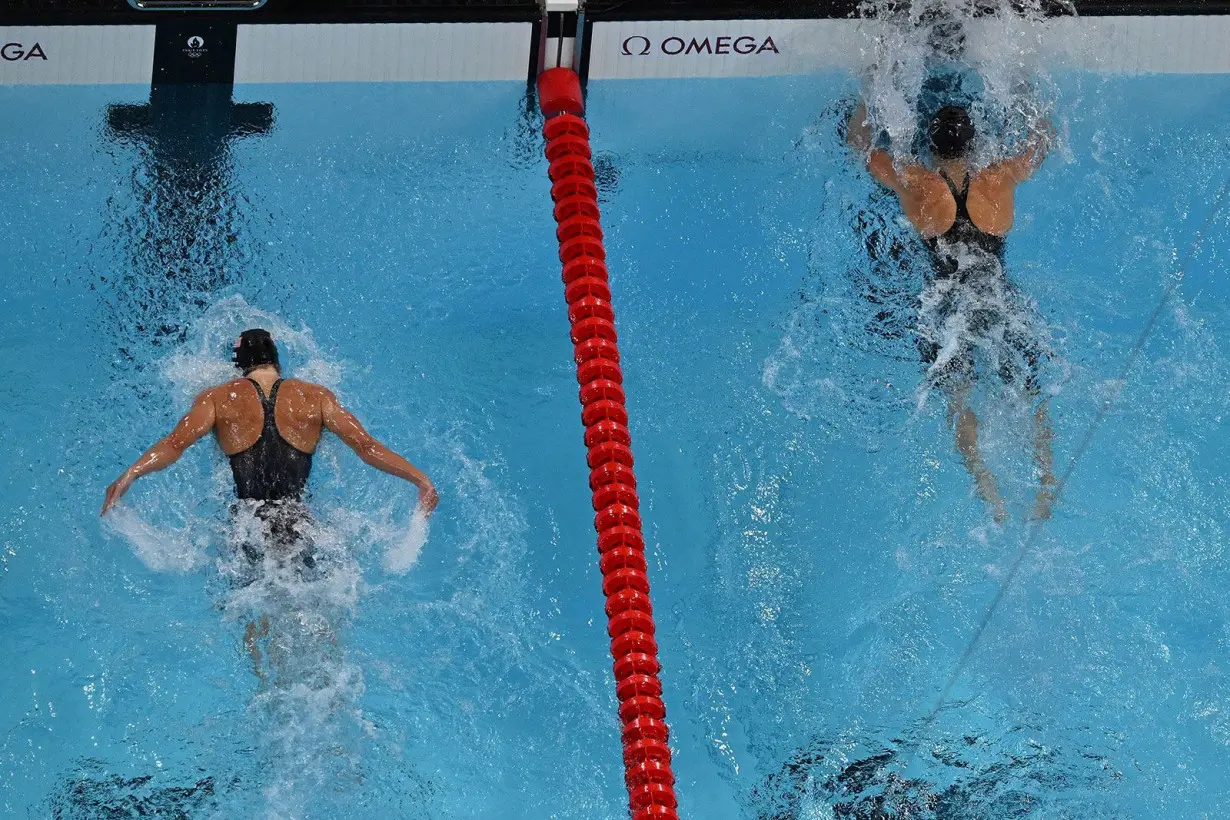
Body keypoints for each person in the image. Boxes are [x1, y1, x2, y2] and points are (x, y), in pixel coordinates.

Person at [100, 329, 439, 669]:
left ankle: (265, 684)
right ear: (277, 359)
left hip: (248, 528)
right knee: (321, 616)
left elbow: (174, 444)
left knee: (257, 620)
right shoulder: (316, 396)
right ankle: (332, 686)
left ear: (239, 366)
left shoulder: (217, 398)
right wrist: (420, 480)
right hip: (300, 523)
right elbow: (368, 447)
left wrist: (130, 473)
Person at [846, 101, 1056, 523]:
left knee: (958, 397)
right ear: (974, 142)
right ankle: (1048, 478)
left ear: (930, 144)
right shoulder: (999, 177)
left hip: (945, 305)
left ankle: (987, 486)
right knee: (1030, 393)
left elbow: (861, 148)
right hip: (996, 300)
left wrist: (867, 93)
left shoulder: (916, 182)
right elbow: (1041, 144)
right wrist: (1028, 92)